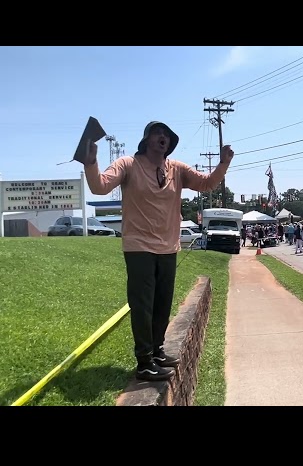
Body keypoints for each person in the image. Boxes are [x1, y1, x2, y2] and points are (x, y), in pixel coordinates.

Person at [80, 121, 234, 382]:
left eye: (166, 135)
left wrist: (223, 164)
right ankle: (144, 362)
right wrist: (90, 163)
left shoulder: (177, 169)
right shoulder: (128, 164)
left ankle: (157, 351)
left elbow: (207, 184)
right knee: (143, 305)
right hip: (139, 245)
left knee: (162, 303)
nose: (162, 137)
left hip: (168, 247)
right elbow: (100, 186)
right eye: (156, 133)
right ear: (146, 139)